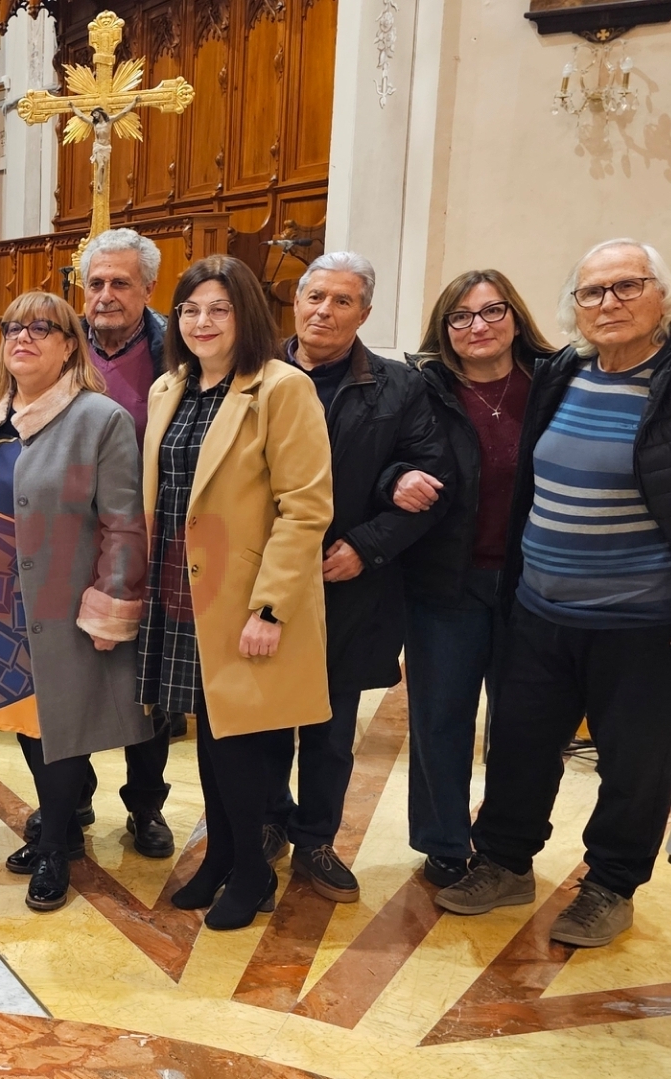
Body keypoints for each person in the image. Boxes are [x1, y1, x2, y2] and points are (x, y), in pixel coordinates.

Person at [436, 239, 671, 949]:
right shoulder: (564, 371)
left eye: (627, 286)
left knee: (635, 763)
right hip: (539, 607)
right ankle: (504, 862)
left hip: (641, 620)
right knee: (519, 744)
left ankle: (610, 885)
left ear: (661, 296)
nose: (609, 303)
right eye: (592, 291)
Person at [139, 255, 333, 930]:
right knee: (209, 732)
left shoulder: (282, 388)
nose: (202, 322)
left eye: (218, 309)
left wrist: (269, 607)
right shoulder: (170, 388)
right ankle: (221, 855)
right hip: (180, 588)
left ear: (245, 313)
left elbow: (305, 507)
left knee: (242, 743)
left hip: (245, 596)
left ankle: (253, 870)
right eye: (190, 309)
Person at [266, 251, 451, 904]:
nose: (325, 310)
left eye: (342, 301)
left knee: (330, 725)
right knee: (260, 713)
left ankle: (315, 838)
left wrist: (366, 548)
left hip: (346, 581)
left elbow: (431, 481)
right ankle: (266, 821)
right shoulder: (255, 371)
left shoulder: (399, 386)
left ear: (364, 313)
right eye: (315, 296)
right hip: (262, 578)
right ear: (296, 301)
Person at [0, 291, 148, 909]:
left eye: (42, 328)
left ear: (70, 346)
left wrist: (112, 600)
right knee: (25, 719)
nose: (23, 337)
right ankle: (63, 826)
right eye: (13, 327)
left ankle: (53, 852)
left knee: (60, 726)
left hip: (62, 600)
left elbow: (124, 521)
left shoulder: (99, 419)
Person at [394, 270, 554, 888]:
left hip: (531, 583)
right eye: (460, 316)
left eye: (491, 311)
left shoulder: (552, 383)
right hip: (446, 581)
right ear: (444, 328)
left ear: (515, 316)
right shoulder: (421, 388)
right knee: (441, 718)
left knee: (522, 724)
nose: (477, 326)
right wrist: (394, 480)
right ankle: (442, 841)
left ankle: (505, 845)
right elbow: (384, 458)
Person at [27, 227, 178, 860]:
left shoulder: (177, 353)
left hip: (158, 540)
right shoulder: (58, 349)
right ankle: (72, 796)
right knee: (71, 674)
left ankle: (146, 804)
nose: (106, 295)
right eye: (95, 283)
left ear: (149, 288)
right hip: (67, 544)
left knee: (148, 681)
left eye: (121, 282)